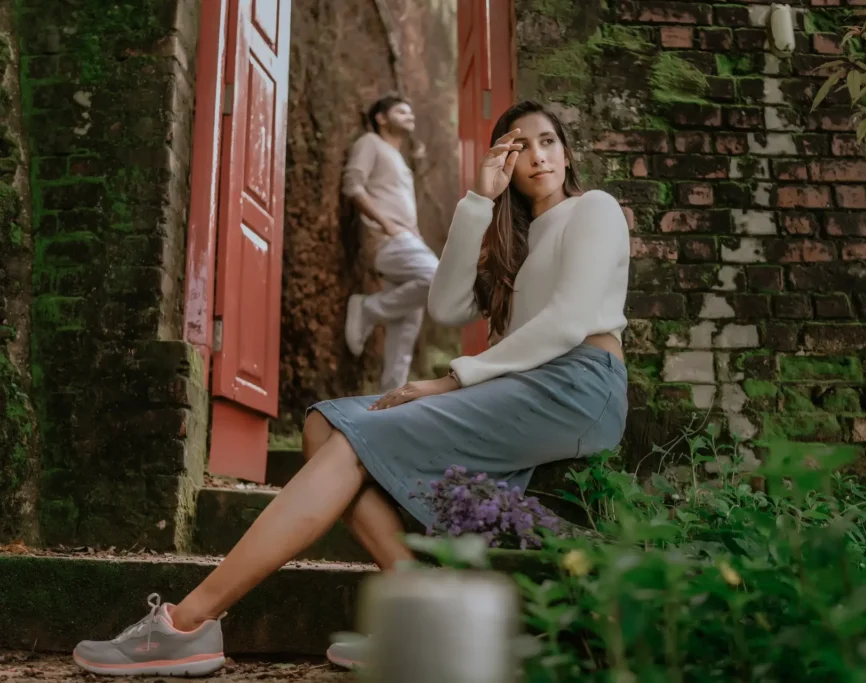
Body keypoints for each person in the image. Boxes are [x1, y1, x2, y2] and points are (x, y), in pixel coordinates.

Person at [71, 100, 631, 677]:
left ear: (566, 151)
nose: (537, 156)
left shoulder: (594, 209)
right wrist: (479, 202)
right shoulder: (515, 238)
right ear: (505, 164)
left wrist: (449, 380)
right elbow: (443, 304)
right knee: (323, 423)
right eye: (519, 148)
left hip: (577, 387)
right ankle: (423, 610)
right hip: (520, 385)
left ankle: (187, 623)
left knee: (351, 443)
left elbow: (568, 321)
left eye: (548, 142)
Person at [343, 94, 438, 393]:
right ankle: (368, 309)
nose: (410, 115)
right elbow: (353, 186)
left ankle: (389, 402)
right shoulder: (370, 143)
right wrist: (386, 225)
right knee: (437, 279)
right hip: (386, 239)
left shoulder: (400, 159)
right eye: (401, 111)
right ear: (382, 118)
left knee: (405, 331)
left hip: (408, 239)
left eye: (411, 111)